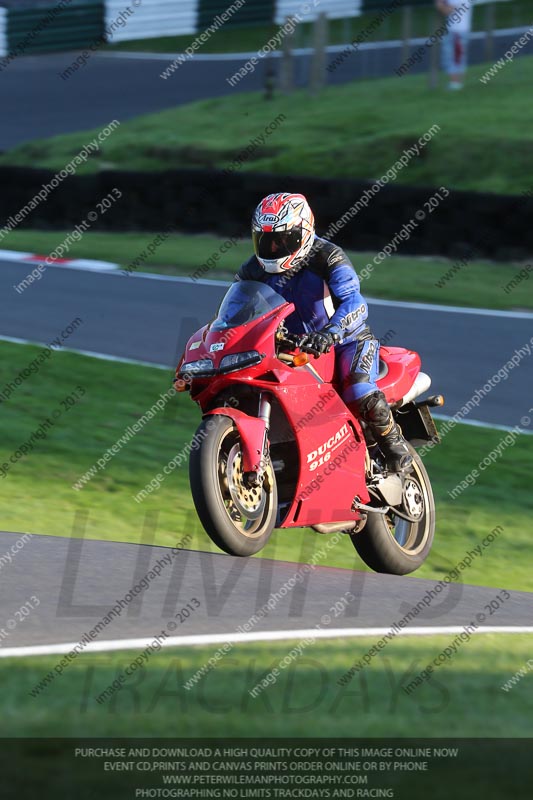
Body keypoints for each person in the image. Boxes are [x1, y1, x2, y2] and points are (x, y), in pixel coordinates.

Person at [235, 192, 413, 473]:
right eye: (266, 240)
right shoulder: (252, 270)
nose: (273, 246)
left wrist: (330, 333)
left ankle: (396, 449)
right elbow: (236, 312)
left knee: (359, 391)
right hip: (289, 349)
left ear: (303, 232)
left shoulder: (327, 256)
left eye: (282, 239)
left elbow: (356, 302)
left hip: (345, 342)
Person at [436, 0, 473, 90]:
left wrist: (440, 4)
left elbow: (447, 11)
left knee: (454, 56)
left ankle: (456, 83)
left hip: (457, 30)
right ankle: (456, 82)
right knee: (456, 56)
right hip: (458, 30)